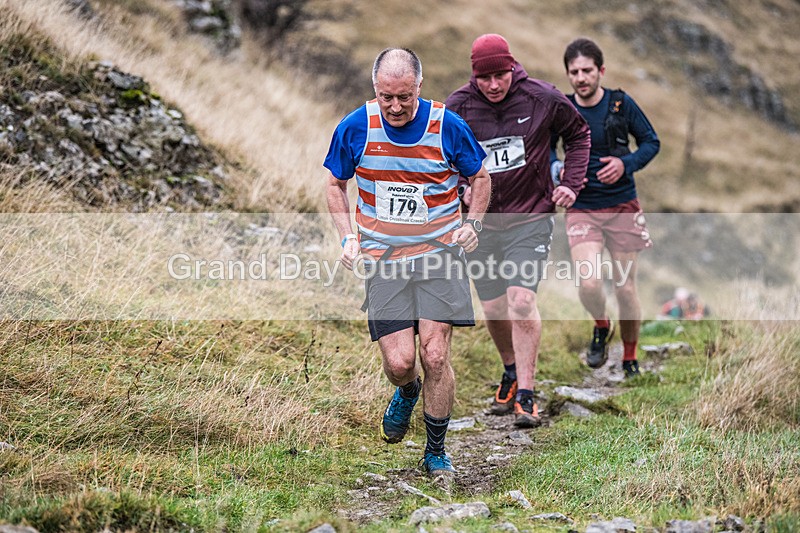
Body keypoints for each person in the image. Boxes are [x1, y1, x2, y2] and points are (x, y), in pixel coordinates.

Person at [324, 48, 491, 476]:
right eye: (386, 97)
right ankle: (407, 389)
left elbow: (481, 176)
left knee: (435, 355)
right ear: (374, 89)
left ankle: (435, 450)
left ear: (420, 86)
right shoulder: (356, 126)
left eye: (404, 97)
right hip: (384, 259)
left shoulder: (447, 126)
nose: (395, 107)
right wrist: (347, 237)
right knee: (400, 363)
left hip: (440, 256)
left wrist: (473, 224)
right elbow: (334, 184)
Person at [445, 34, 590, 427]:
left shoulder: (542, 97)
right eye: (485, 78)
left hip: (531, 217)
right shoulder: (457, 108)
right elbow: (441, 157)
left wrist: (570, 184)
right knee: (493, 307)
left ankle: (526, 393)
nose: (494, 85)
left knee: (521, 301)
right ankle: (510, 370)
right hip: (480, 222)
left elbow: (578, 135)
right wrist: (456, 188)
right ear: (474, 76)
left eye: (500, 75)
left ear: (512, 67)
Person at [551, 37, 660, 377]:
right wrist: (558, 170)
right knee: (590, 284)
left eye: (587, 70)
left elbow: (651, 142)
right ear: (568, 75)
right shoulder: (563, 108)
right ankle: (601, 325)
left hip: (622, 205)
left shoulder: (620, 103)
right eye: (574, 72)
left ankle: (629, 358)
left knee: (626, 289)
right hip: (582, 206)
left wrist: (625, 164)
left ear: (601, 70)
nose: (581, 78)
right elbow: (546, 149)